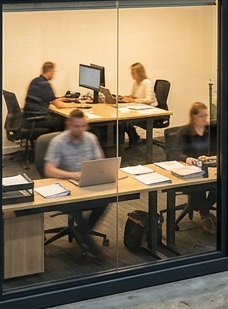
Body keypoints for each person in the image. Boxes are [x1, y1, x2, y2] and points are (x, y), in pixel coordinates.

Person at [43, 109, 108, 257]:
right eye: (76, 126)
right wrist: (72, 175)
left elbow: (100, 163)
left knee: (105, 199)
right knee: (75, 207)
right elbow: (49, 170)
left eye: (83, 126)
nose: (80, 130)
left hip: (87, 183)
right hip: (66, 186)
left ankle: (82, 231)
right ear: (68, 125)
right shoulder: (58, 142)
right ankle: (87, 239)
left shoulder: (91, 139)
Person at [167, 102, 218, 232]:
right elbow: (173, 152)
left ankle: (204, 209)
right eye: (201, 116)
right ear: (193, 117)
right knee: (199, 186)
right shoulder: (185, 132)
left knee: (222, 184)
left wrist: (213, 157)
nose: (205, 119)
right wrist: (186, 158)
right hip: (189, 171)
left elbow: (217, 148)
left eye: (206, 116)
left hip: (209, 168)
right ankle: (205, 214)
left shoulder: (209, 131)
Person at [24, 62, 68, 133]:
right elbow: (59, 105)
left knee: (55, 117)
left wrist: (59, 99)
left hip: (29, 115)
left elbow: (46, 98)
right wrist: (78, 106)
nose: (54, 74)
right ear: (50, 71)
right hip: (38, 118)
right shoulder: (45, 84)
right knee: (63, 122)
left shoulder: (35, 81)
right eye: (54, 72)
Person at [120, 62, 156, 146]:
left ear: (139, 73)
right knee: (122, 119)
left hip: (150, 109)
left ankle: (134, 138)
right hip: (139, 107)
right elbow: (135, 96)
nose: (131, 74)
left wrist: (132, 101)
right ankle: (134, 137)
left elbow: (149, 99)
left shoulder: (147, 83)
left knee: (125, 121)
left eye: (133, 72)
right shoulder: (136, 82)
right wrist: (126, 97)